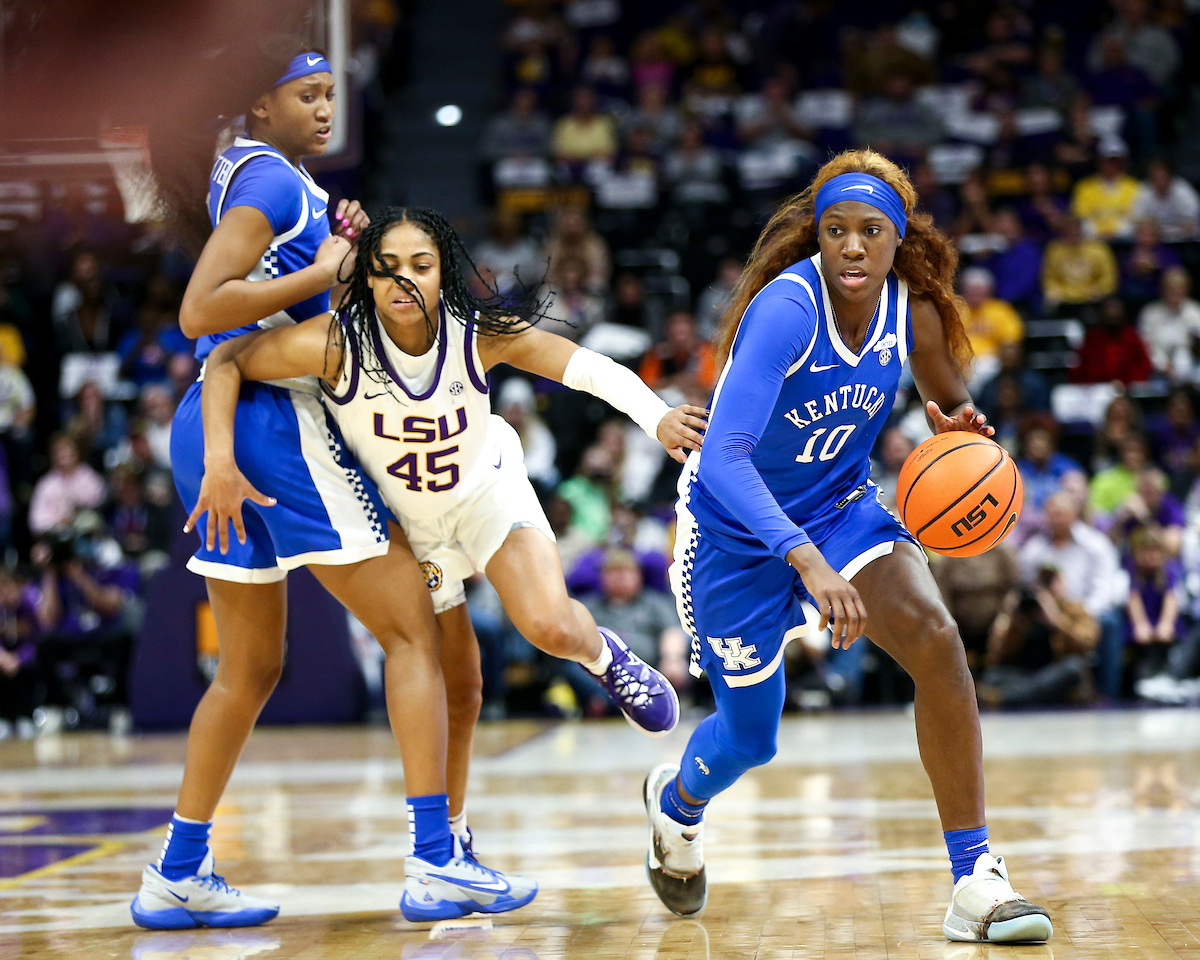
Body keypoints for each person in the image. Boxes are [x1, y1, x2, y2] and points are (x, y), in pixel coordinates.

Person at [135, 41, 535, 929]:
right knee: (412, 636)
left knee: (248, 669)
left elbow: (263, 307)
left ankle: (177, 869)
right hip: (272, 427)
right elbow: (202, 312)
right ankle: (436, 861)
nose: (326, 108)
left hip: (216, 429)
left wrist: (334, 243)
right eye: (307, 94)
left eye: (330, 94)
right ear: (259, 107)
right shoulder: (270, 178)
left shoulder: (272, 183)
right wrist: (332, 268)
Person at [640, 150, 1052, 943]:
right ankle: (677, 806)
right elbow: (723, 458)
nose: (853, 247)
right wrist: (804, 559)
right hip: (734, 533)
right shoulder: (785, 310)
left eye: (870, 231)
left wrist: (959, 430)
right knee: (753, 739)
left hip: (842, 508)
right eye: (836, 231)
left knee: (938, 643)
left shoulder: (916, 312)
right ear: (817, 238)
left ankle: (976, 879)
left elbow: (945, 393)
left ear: (899, 239)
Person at [197, 200, 701, 846]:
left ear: (443, 274)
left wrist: (656, 416)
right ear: (366, 278)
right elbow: (227, 360)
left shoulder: (476, 333)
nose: (405, 280)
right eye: (387, 267)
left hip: (486, 492)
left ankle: (605, 655)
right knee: (459, 689)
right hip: (412, 526)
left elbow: (580, 366)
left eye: (421, 264)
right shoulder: (336, 345)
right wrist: (217, 459)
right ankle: (452, 837)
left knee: (548, 624)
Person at [1041, 215, 1117, 315]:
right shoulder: (1055, 250)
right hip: (1064, 297)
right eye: (1069, 231)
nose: (1073, 234)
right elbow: (1048, 277)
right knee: (1045, 307)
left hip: (1091, 297)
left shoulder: (1098, 249)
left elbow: (1109, 276)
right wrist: (1053, 290)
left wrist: (1100, 289)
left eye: (1076, 231)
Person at [1139, 267, 1200, 382]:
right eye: (1171, 289)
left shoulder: (1195, 312)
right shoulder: (1150, 314)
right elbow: (1146, 345)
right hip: (1157, 370)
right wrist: (1163, 365)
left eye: (1180, 288)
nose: (1176, 293)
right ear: (1163, 290)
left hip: (1191, 367)